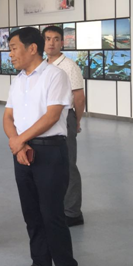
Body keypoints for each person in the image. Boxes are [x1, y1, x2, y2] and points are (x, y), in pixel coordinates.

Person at [3, 27, 78, 266]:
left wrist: (19, 140)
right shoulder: (18, 80)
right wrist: (18, 144)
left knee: (52, 213)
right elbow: (8, 116)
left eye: (14, 48)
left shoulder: (55, 76)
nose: (10, 54)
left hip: (49, 150)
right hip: (22, 153)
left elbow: (52, 116)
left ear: (32, 48)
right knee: (32, 214)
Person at [42, 26, 85, 227]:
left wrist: (76, 121)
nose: (51, 43)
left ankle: (73, 212)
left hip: (65, 117)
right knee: (52, 164)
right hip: (47, 119)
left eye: (56, 39)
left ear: (62, 42)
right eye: (47, 38)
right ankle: (59, 206)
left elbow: (79, 97)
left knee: (68, 164)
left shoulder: (69, 66)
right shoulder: (43, 65)